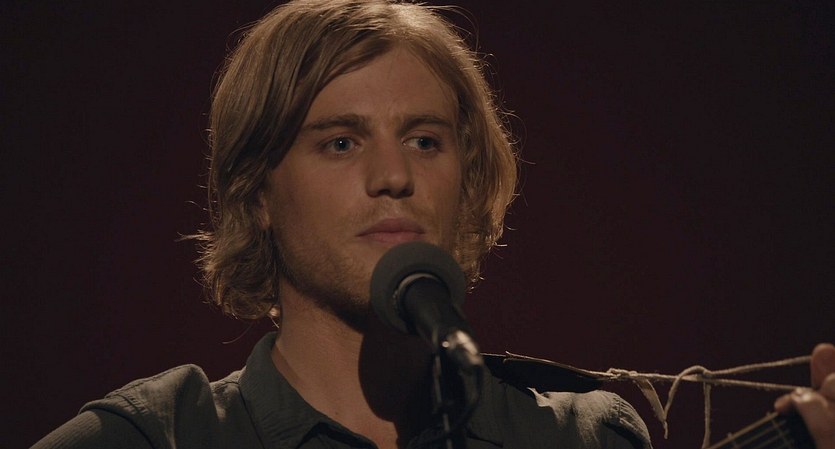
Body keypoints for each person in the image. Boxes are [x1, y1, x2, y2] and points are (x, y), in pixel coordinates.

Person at [33, 1, 834, 448]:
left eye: (424, 139)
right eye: (340, 142)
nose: (394, 176)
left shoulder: (579, 436)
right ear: (257, 193)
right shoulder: (155, 437)